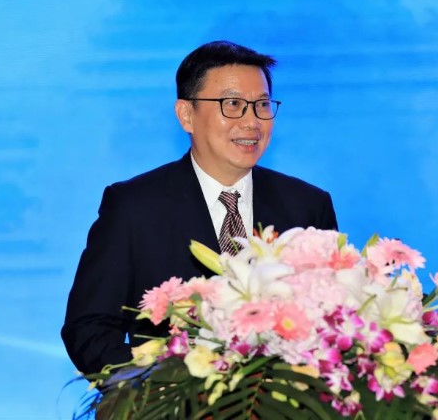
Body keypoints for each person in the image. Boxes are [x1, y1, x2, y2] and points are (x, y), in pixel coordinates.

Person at [61, 41, 338, 375]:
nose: (252, 121)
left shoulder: (307, 206)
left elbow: (335, 322)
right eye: (233, 104)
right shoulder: (134, 207)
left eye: (262, 105)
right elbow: (88, 329)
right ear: (186, 115)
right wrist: (158, 382)